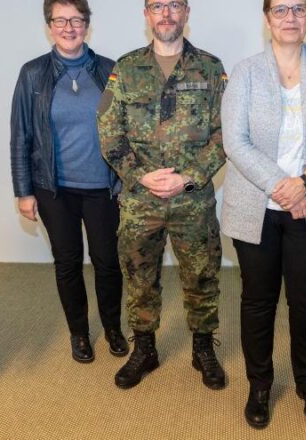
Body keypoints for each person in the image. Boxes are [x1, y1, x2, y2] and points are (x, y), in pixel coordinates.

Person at [221, 0, 306, 428]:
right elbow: (235, 141)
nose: (290, 17)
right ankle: (259, 385)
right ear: (267, 19)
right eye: (280, 9)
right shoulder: (245, 73)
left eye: (298, 9)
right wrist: (283, 185)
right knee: (257, 302)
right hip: (255, 207)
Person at [97, 0, 227, 391]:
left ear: (186, 13)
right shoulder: (125, 68)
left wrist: (188, 177)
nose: (166, 13)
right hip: (141, 200)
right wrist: (142, 176)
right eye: (158, 5)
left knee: (202, 275)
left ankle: (203, 347)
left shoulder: (210, 67)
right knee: (138, 276)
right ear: (146, 14)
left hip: (193, 199)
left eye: (174, 5)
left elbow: (226, 134)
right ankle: (145, 348)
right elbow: (109, 134)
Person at [10, 0, 128, 364]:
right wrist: (23, 191)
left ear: (87, 25)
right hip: (53, 189)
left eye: (77, 20)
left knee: (107, 262)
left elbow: (126, 130)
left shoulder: (110, 70)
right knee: (67, 262)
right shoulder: (33, 74)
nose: (69, 27)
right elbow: (21, 136)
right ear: (49, 26)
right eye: (60, 20)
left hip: (102, 188)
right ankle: (79, 333)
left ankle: (111, 327)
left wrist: (126, 182)